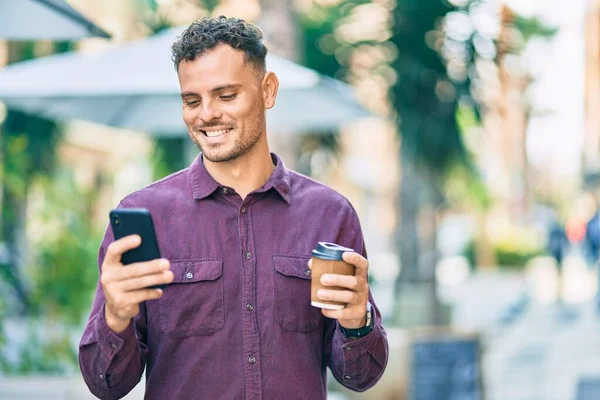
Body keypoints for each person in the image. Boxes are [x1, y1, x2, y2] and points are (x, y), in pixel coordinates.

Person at [79, 16, 388, 400]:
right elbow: (105, 385)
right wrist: (115, 317)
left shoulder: (329, 215)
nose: (206, 114)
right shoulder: (146, 216)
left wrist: (358, 322)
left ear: (268, 90)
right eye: (192, 100)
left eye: (226, 96)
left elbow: (360, 377)